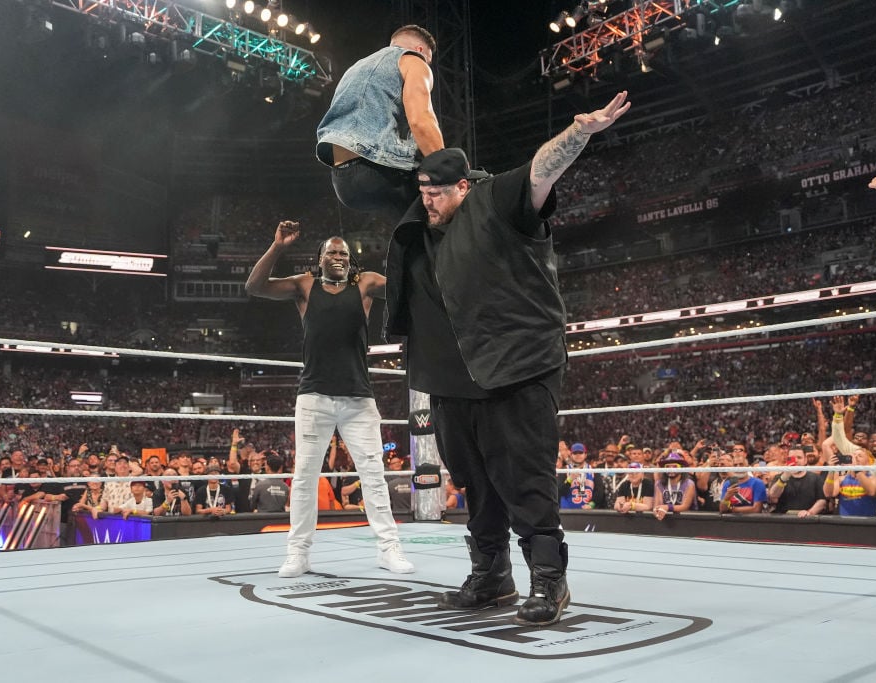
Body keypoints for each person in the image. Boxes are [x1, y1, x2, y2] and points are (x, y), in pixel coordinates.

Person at [382, 91, 630, 626]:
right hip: (450, 381)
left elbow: (541, 172)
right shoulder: (418, 232)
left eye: (439, 193)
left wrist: (580, 132)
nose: (428, 201)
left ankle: (549, 581)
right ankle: (492, 575)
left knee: (525, 480)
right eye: (423, 192)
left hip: (516, 368)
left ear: (464, 187)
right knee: (476, 485)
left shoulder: (495, 203)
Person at [245, 221, 415, 578]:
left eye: (343, 253)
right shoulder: (305, 285)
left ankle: (389, 548)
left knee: (373, 473)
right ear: (319, 258)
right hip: (314, 396)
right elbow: (255, 287)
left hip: (358, 398)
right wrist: (277, 247)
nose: (338, 256)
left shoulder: (365, 283)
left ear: (350, 260)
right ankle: (298, 553)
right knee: (305, 478)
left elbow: (407, 286)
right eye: (331, 252)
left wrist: (414, 249)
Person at [316, 25, 443, 220]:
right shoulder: (414, 61)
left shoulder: (355, 68)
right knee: (446, 205)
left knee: (408, 230)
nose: (427, 64)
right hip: (376, 167)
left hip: (342, 181)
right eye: (427, 59)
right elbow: (421, 120)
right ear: (419, 50)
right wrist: (447, 167)